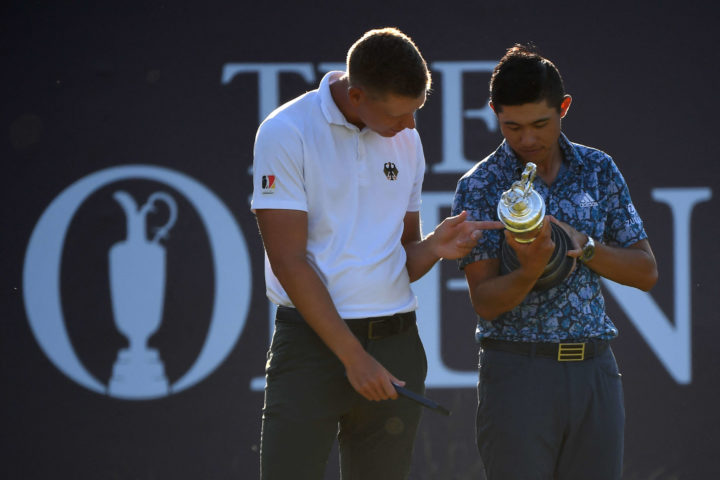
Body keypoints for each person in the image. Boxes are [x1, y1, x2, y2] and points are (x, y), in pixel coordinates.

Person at [251, 28, 502, 480]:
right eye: (399, 114)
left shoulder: (406, 139)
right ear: (358, 94)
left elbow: (401, 258)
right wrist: (354, 357)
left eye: (415, 112)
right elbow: (289, 262)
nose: (408, 126)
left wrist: (433, 248)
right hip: (311, 349)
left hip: (397, 345)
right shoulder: (285, 132)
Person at [451, 45, 658, 480]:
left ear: (563, 108)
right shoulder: (480, 184)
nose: (527, 139)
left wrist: (586, 248)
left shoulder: (599, 169)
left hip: (594, 372)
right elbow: (485, 302)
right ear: (494, 113)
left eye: (540, 124)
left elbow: (645, 272)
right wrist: (529, 269)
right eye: (512, 126)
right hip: (517, 373)